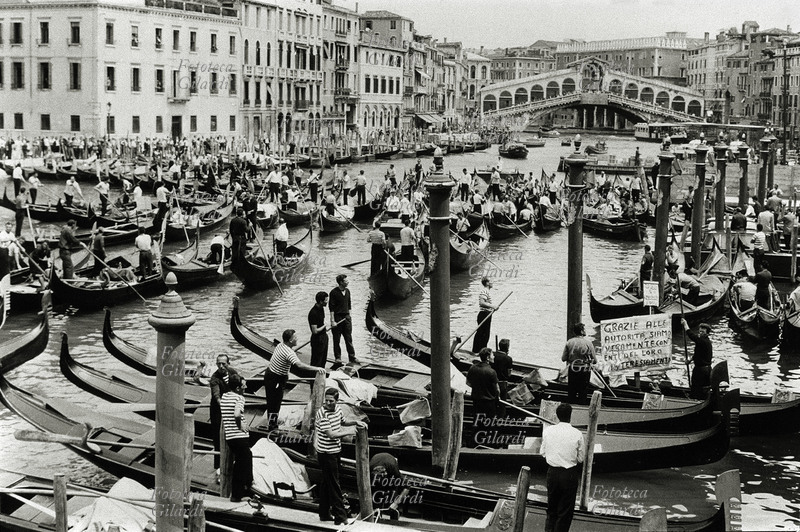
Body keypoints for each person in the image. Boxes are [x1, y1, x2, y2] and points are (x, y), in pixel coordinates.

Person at [315, 387, 365, 525]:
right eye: (326, 400)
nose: (328, 403)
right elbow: (331, 434)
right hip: (326, 454)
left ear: (337, 401)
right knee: (335, 485)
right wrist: (349, 432)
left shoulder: (338, 410)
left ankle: (324, 514)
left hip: (335, 451)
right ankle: (340, 517)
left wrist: (356, 422)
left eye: (331, 401)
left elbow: (343, 422)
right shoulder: (322, 414)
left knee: (327, 482)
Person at [263, 329, 325, 431]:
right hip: (274, 377)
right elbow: (299, 365)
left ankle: (273, 422)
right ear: (290, 341)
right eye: (295, 337)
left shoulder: (281, 345)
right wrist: (317, 368)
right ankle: (272, 427)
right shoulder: (288, 352)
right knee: (274, 402)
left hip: (276, 375)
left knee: (275, 401)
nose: (297, 339)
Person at [540, 403, 585, 532]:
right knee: (565, 512)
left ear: (557, 416)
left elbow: (543, 452)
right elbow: (581, 458)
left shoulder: (548, 431)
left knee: (551, 509)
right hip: (569, 474)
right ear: (570, 416)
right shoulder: (577, 433)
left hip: (552, 473)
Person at [220, 374, 253, 503]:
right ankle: (238, 494)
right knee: (242, 465)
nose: (245, 387)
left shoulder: (225, 396)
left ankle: (246, 486)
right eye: (243, 385)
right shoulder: (240, 398)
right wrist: (241, 426)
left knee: (244, 460)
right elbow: (237, 413)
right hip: (239, 436)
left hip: (230, 436)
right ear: (238, 388)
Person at [209, 354, 239, 473]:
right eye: (218, 364)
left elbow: (240, 383)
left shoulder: (232, 372)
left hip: (230, 408)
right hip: (217, 411)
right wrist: (225, 405)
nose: (221, 366)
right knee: (218, 437)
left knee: (231, 435)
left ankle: (232, 461)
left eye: (223, 364)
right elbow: (217, 396)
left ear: (228, 363)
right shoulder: (214, 378)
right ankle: (218, 466)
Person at [466, 347, 500, 433]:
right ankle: (488, 441)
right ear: (488, 358)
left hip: (476, 400)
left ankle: (475, 441)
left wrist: (478, 387)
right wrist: (497, 397)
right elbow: (497, 389)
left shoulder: (472, 368)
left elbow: (468, 383)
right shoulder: (492, 372)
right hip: (489, 402)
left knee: (477, 422)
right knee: (489, 423)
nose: (494, 356)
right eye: (492, 355)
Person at [561, 322, 596, 404]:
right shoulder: (589, 343)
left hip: (573, 369)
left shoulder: (569, 342)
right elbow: (595, 360)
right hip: (585, 370)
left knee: (571, 393)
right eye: (584, 329)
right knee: (583, 393)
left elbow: (563, 358)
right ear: (581, 331)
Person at [329, 274, 359, 366]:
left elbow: (349, 304)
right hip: (337, 318)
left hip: (346, 318)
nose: (347, 282)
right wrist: (332, 321)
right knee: (336, 340)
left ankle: (352, 356)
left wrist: (350, 316)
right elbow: (331, 308)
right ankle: (338, 358)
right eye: (346, 281)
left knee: (348, 338)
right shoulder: (333, 292)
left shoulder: (348, 291)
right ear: (341, 282)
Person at [681, 319, 712, 399]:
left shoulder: (704, 341)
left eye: (703, 331)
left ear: (707, 333)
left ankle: (696, 400)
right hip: (704, 369)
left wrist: (685, 324)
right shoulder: (701, 342)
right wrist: (690, 360)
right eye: (700, 331)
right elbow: (697, 354)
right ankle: (698, 398)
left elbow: (692, 336)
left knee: (697, 387)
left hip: (702, 370)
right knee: (701, 387)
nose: (700, 333)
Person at [473, 277, 497, 353]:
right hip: (484, 314)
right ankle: (478, 351)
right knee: (482, 334)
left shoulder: (487, 291)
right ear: (487, 283)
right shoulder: (484, 291)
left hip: (487, 314)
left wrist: (492, 308)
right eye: (491, 281)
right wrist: (492, 306)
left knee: (485, 335)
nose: (492, 282)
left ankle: (481, 351)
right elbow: (482, 303)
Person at [308, 291, 330, 368]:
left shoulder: (321, 309)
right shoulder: (313, 313)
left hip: (323, 337)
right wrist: (325, 326)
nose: (327, 302)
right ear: (321, 301)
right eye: (326, 300)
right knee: (316, 361)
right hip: (317, 340)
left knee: (323, 360)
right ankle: (312, 378)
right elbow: (314, 331)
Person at [493, 338, 513, 416]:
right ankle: (501, 418)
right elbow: (509, 373)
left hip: (493, 382)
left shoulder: (493, 355)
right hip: (502, 383)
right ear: (507, 347)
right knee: (502, 403)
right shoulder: (508, 359)